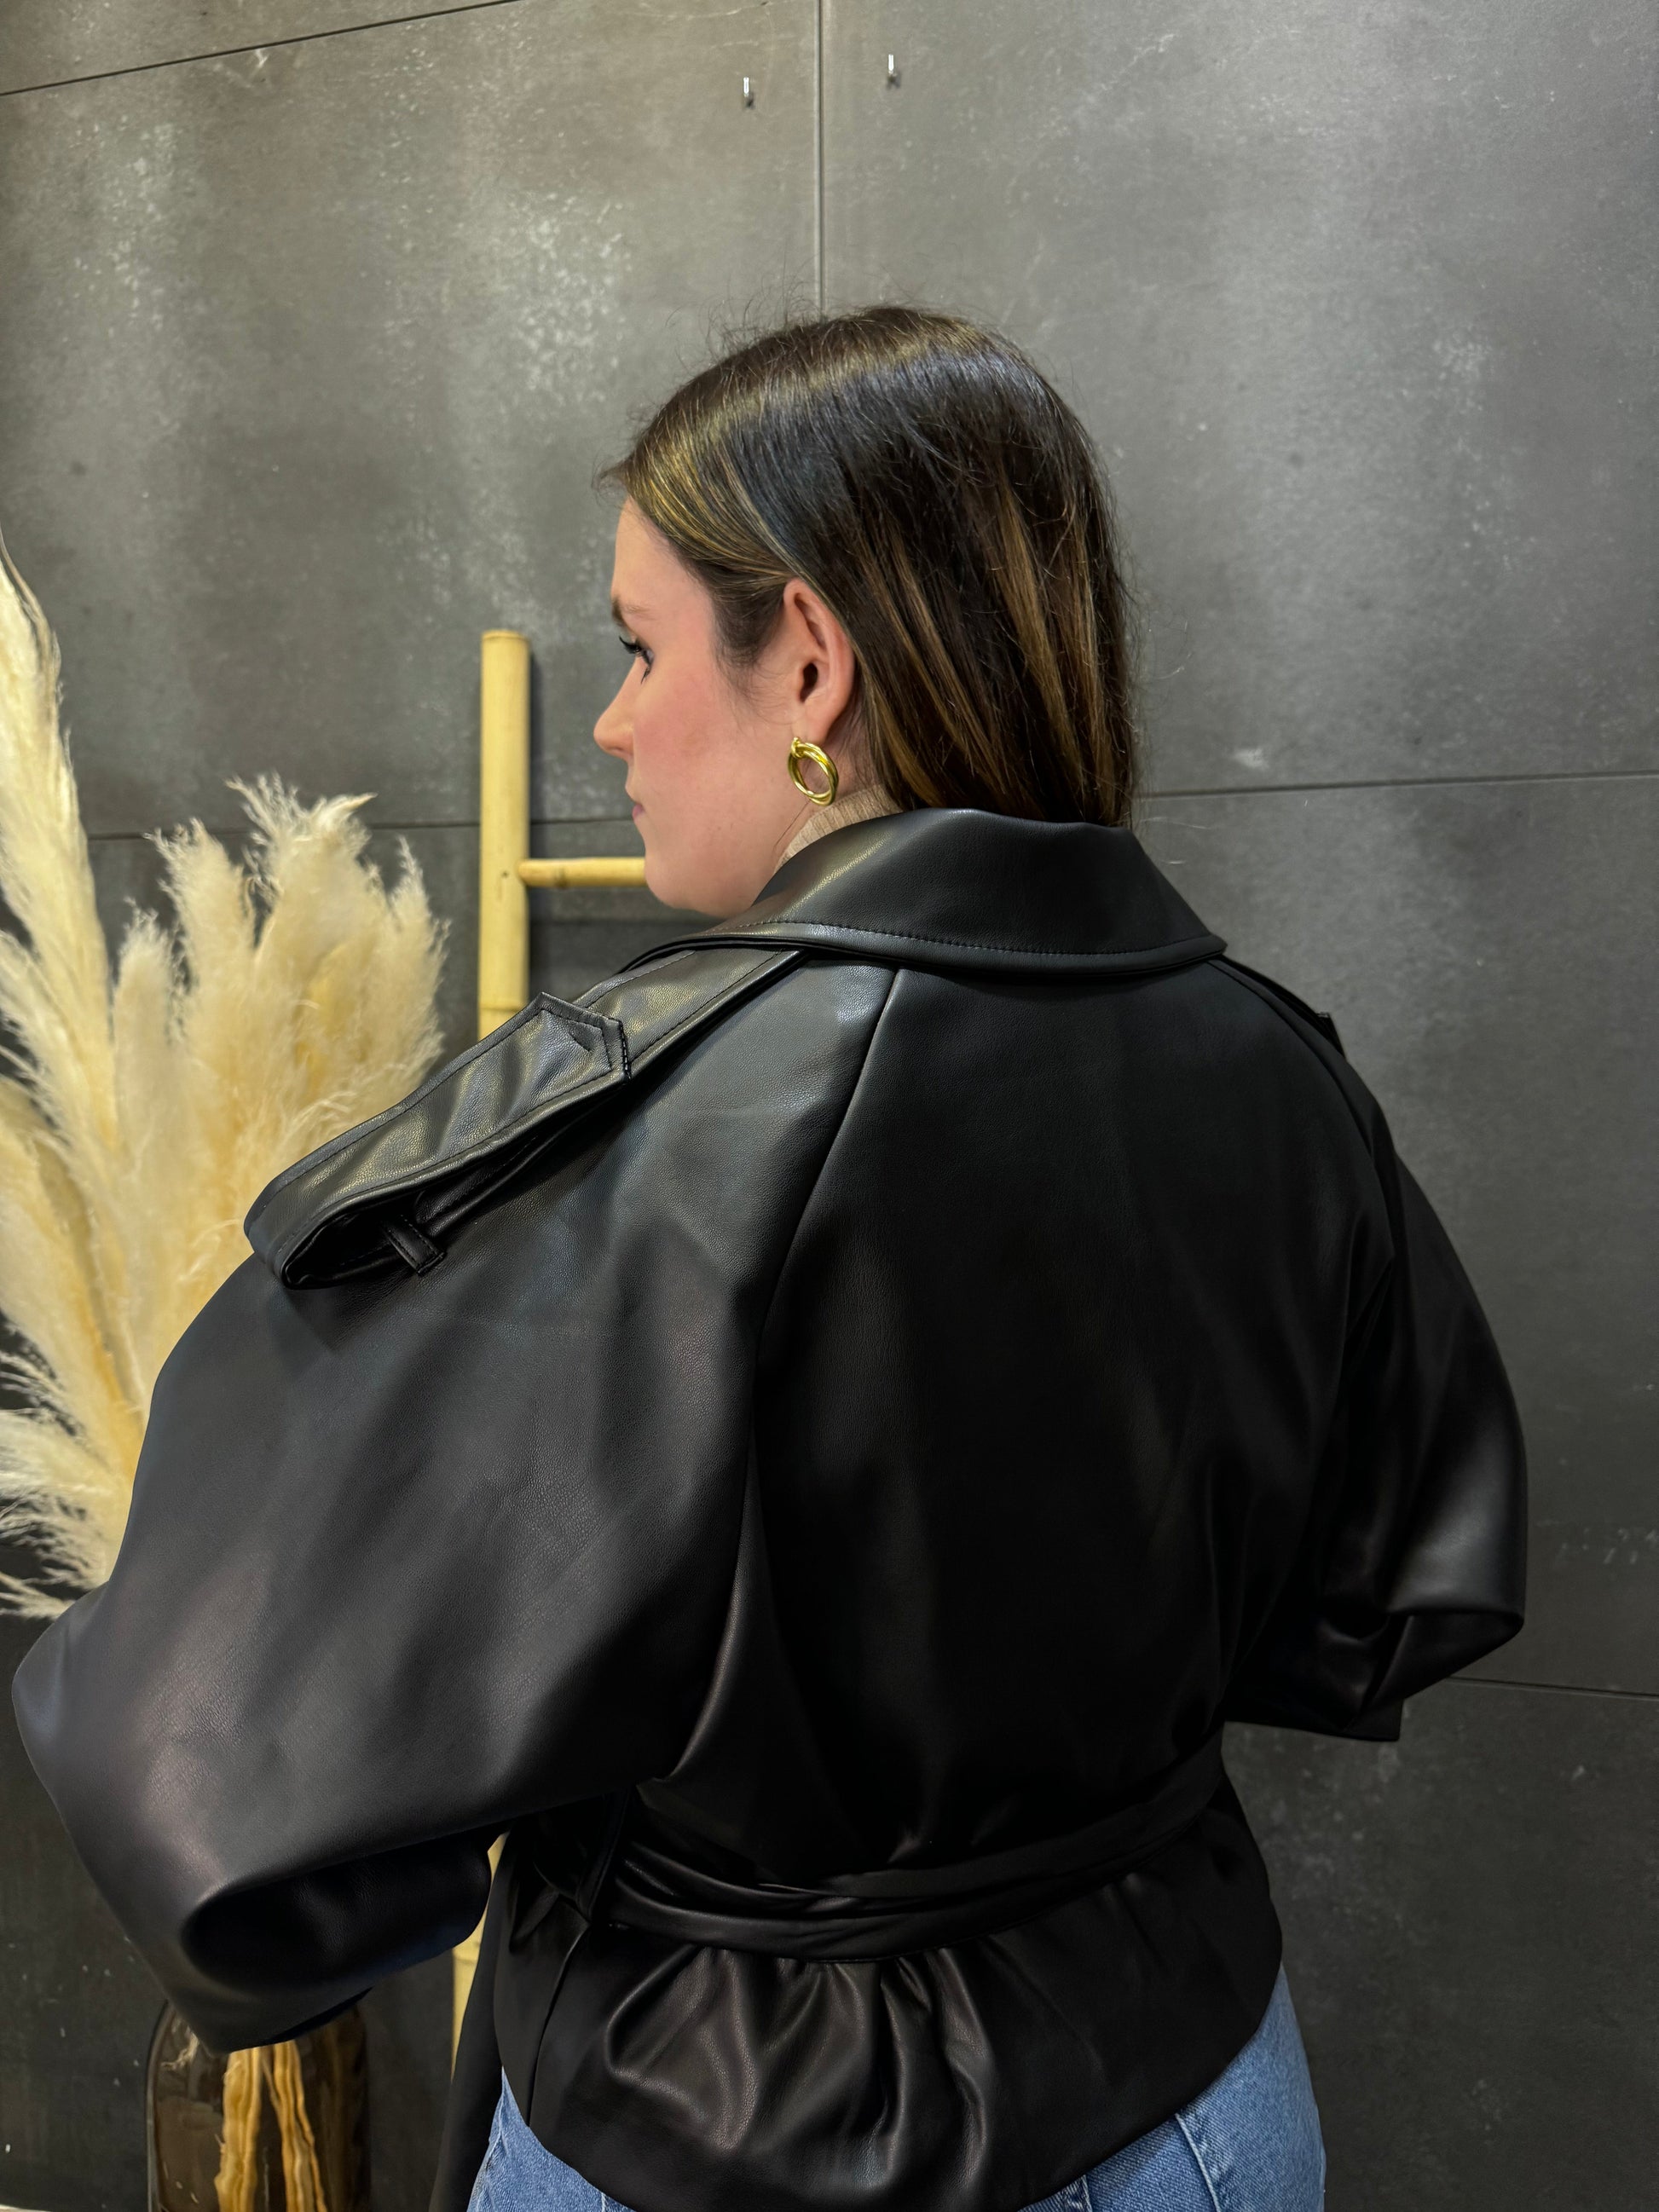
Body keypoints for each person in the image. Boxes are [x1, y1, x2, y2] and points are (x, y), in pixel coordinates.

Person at [14, 308, 1526, 2212]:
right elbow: (1393, 1594)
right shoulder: (1278, 1066)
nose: (612, 721)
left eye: (640, 647)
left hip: (726, 2130)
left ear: (806, 658)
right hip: (1204, 2096)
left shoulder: (646, 1122)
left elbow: (203, 1777)